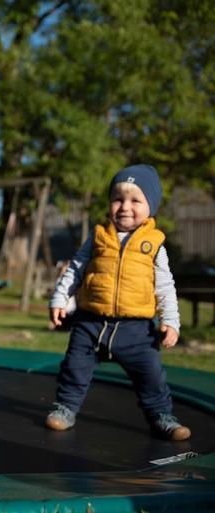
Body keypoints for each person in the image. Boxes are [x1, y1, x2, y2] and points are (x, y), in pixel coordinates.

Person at [46, 164, 190, 441]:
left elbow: (165, 287)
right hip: (90, 322)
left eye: (135, 200)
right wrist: (60, 298)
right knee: (74, 367)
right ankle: (65, 408)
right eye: (117, 199)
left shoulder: (154, 245)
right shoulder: (98, 237)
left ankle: (162, 416)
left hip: (136, 329)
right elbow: (76, 269)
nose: (125, 207)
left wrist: (171, 321)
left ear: (151, 206)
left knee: (151, 375)